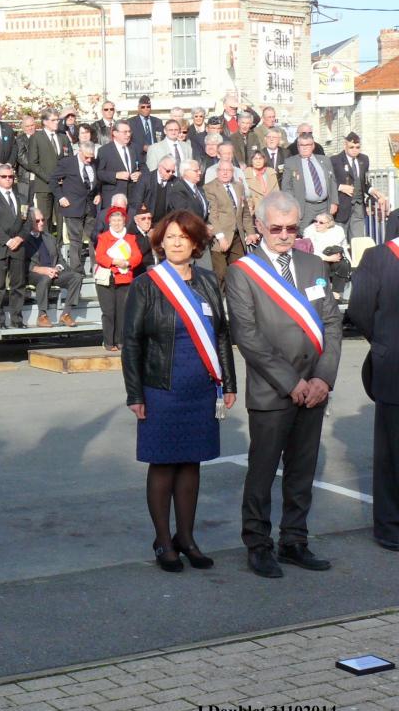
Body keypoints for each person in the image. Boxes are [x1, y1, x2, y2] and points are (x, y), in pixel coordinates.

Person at [225, 191, 343, 579]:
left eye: (292, 227)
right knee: (262, 472)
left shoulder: (311, 264)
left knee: (301, 470)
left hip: (314, 387)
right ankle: (258, 545)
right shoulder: (243, 272)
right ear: (259, 226)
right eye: (276, 228)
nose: (284, 235)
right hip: (272, 390)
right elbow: (248, 336)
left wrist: (322, 378)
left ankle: (295, 540)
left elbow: (331, 325)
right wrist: (292, 382)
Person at [123, 210, 237, 572]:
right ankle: (162, 540)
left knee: (191, 464)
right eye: (169, 236)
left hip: (202, 389)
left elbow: (221, 334)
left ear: (195, 243)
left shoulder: (205, 280)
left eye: (183, 237)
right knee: (163, 465)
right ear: (160, 241)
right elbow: (131, 343)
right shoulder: (147, 284)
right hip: (161, 389)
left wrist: (229, 384)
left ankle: (186, 538)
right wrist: (135, 394)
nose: (175, 243)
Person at [346, 232, 399, 550]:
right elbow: (361, 309)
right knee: (392, 453)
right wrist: (384, 344)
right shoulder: (378, 257)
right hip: (394, 366)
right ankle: (390, 527)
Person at [0, 164, 31, 329]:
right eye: (4, 176)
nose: (7, 179)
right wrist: (7, 240)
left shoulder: (22, 197)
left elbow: (28, 222)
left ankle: (17, 319)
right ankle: (0, 321)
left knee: (18, 286)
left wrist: (19, 238)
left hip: (18, 247)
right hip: (0, 248)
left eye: (10, 176)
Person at [25, 209, 84, 328]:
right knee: (45, 278)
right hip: (33, 273)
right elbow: (22, 263)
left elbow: (60, 259)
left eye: (43, 220)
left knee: (76, 277)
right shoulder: (24, 239)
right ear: (29, 222)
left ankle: (66, 313)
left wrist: (57, 268)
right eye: (37, 221)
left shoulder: (50, 238)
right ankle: (42, 315)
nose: (41, 223)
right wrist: (41, 270)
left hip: (53, 272)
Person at [94, 206, 142, 351]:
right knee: (109, 311)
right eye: (114, 220)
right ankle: (109, 342)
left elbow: (137, 256)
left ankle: (120, 341)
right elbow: (100, 256)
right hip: (107, 279)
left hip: (124, 278)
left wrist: (127, 263)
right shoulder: (103, 237)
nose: (117, 223)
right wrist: (115, 262)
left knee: (122, 311)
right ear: (109, 221)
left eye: (119, 220)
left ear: (124, 221)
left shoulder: (130, 238)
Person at [204, 161, 258, 284]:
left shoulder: (239, 186)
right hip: (220, 237)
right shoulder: (209, 188)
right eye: (222, 170)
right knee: (220, 273)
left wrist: (250, 232)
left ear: (233, 173)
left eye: (228, 170)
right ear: (217, 172)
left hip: (237, 237)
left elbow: (245, 213)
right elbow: (213, 215)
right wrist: (221, 237)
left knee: (238, 271)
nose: (225, 173)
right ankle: (220, 301)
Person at [51, 141, 101, 271]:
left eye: (91, 157)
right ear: (80, 152)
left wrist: (98, 193)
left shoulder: (94, 163)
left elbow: (97, 180)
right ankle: (76, 270)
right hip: (72, 206)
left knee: (94, 237)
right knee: (75, 240)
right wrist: (61, 197)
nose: (89, 160)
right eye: (86, 157)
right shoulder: (67, 163)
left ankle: (96, 266)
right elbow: (53, 180)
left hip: (90, 206)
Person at [23, 109, 71, 234]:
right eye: (53, 120)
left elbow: (70, 160)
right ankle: (47, 248)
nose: (57, 122)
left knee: (61, 219)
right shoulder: (36, 137)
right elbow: (33, 163)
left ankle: (60, 248)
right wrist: (50, 179)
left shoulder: (63, 137)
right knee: (45, 219)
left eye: (58, 120)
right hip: (44, 186)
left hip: (62, 186)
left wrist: (64, 177)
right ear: (45, 122)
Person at [330, 133, 380, 241]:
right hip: (342, 207)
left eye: (357, 147)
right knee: (339, 240)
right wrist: (340, 187)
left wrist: (372, 190)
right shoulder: (335, 160)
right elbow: (327, 181)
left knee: (358, 240)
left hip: (358, 206)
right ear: (345, 146)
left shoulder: (364, 159)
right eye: (351, 147)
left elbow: (364, 182)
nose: (354, 150)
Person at [282, 133, 336, 230]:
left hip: (325, 205)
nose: (304, 148)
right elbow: (286, 187)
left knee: (326, 235)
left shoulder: (325, 160)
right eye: (302, 145)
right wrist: (295, 205)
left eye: (308, 145)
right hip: (305, 207)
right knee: (305, 235)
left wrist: (334, 202)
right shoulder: (291, 162)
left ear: (313, 146)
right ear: (298, 147)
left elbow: (332, 182)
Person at [305, 213, 351, 296]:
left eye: (321, 222)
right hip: (317, 258)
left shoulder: (338, 230)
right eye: (316, 221)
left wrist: (348, 260)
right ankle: (320, 294)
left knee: (343, 265)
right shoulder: (309, 230)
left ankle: (336, 293)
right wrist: (327, 258)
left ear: (329, 224)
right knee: (321, 266)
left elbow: (339, 247)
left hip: (335, 257)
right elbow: (311, 249)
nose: (316, 224)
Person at [96, 120, 142, 203]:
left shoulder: (135, 148)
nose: (128, 135)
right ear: (115, 133)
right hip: (114, 196)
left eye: (129, 132)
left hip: (134, 195)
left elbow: (143, 167)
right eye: (125, 132)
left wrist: (139, 173)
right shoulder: (104, 150)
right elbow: (99, 173)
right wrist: (116, 175)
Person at [244, 149, 279, 218]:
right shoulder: (245, 175)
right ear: (251, 161)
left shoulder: (271, 173)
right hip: (254, 212)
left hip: (271, 210)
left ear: (264, 160)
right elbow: (246, 196)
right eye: (255, 159)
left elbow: (276, 193)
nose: (258, 161)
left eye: (260, 158)